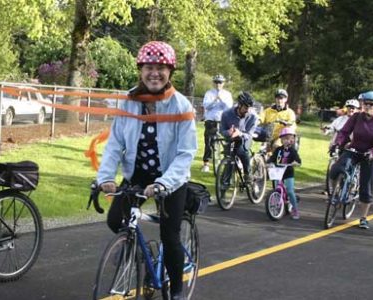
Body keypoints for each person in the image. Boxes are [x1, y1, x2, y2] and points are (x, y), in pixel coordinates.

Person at [96, 41, 197, 300]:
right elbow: (115, 142)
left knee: (170, 235)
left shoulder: (181, 106)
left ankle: (176, 291)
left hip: (171, 178)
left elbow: (186, 153)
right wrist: (105, 177)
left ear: (170, 72)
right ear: (140, 70)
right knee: (114, 219)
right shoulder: (129, 101)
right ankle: (136, 248)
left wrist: (165, 183)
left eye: (161, 68)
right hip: (138, 174)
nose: (155, 73)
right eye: (149, 67)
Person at [329, 91, 373, 229]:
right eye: (365, 103)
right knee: (336, 169)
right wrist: (337, 144)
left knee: (366, 186)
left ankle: (363, 217)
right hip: (354, 150)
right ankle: (335, 194)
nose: (367, 106)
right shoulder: (356, 117)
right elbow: (344, 132)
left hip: (370, 155)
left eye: (371, 104)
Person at [219, 91, 258, 183]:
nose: (248, 110)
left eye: (250, 108)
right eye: (245, 107)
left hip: (245, 139)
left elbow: (249, 134)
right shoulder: (226, 114)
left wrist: (240, 133)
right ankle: (224, 185)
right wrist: (228, 132)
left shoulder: (253, 117)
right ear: (239, 105)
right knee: (229, 158)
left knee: (241, 151)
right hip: (231, 139)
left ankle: (248, 174)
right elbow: (222, 130)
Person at [267, 127, 302, 219]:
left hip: (288, 173)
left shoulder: (292, 151)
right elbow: (273, 158)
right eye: (285, 138)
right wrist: (269, 162)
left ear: (293, 140)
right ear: (281, 140)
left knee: (290, 191)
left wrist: (296, 163)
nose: (287, 141)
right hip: (278, 172)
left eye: (290, 139)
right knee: (277, 189)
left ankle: (295, 209)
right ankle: (277, 203)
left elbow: (298, 160)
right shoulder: (278, 150)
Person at [200, 74, 233, 172]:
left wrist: (221, 100)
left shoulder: (227, 94)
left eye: (220, 82)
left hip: (223, 121)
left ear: (223, 83)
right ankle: (206, 163)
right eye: (216, 82)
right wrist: (214, 100)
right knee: (209, 142)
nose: (218, 84)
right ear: (214, 83)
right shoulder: (209, 93)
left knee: (227, 141)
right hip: (211, 120)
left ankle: (227, 160)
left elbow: (229, 107)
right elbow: (206, 106)